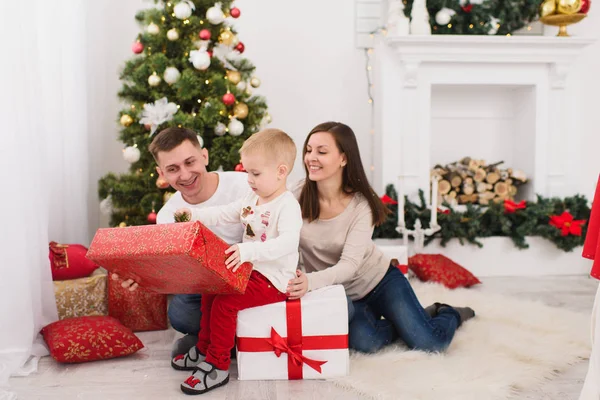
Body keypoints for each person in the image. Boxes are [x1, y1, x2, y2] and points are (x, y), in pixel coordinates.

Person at [286, 121, 475, 353]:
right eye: (309, 150)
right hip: (341, 294)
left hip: (379, 281)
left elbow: (350, 265)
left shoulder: (361, 205)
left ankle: (448, 312)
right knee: (365, 343)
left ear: (343, 159)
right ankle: (409, 321)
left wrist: (310, 281)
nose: (311, 157)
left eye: (321, 151)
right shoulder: (295, 195)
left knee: (430, 343)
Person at [171, 128, 302, 395]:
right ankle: (205, 349)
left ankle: (217, 365)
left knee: (225, 303)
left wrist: (246, 252)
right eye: (247, 172)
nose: (249, 179)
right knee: (211, 288)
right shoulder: (252, 198)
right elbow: (227, 213)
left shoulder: (287, 206)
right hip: (250, 271)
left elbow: (287, 243)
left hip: (273, 280)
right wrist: (196, 214)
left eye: (255, 174)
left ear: (281, 171)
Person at [111, 127, 247, 356]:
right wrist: (142, 277)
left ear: (205, 156)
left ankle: (217, 338)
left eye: (190, 162)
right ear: (161, 173)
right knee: (180, 313)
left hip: (251, 279)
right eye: (173, 169)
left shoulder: (244, 186)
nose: (184, 175)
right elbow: (179, 275)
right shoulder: (168, 215)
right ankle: (232, 338)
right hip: (205, 289)